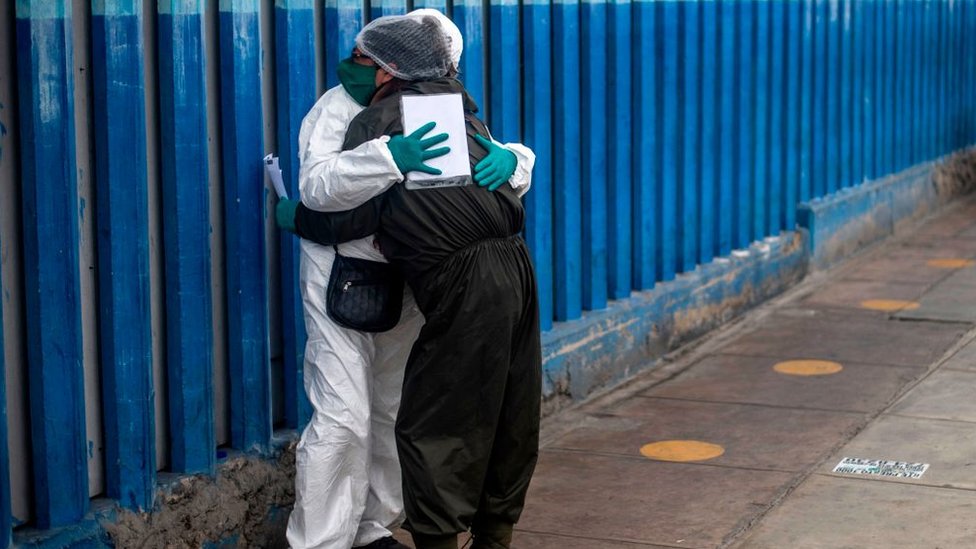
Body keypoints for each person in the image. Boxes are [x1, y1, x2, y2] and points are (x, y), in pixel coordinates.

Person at [281, 10, 536, 549]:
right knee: (343, 415)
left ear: (395, 69)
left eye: (362, 59)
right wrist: (385, 158)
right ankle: (322, 541)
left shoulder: (440, 105)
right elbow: (318, 188)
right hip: (342, 275)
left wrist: (511, 160)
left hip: (413, 279)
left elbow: (475, 173)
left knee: (395, 410)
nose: (351, 66)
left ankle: (372, 528)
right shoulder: (339, 108)